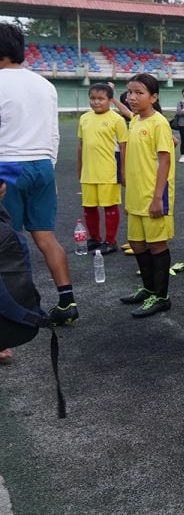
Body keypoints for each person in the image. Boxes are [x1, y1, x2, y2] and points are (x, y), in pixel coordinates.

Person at [0, 23, 77, 326]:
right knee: (46, 237)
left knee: (6, 244)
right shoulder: (45, 85)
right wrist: (50, 170)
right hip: (43, 165)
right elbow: (53, 133)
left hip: (8, 167)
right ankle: (67, 301)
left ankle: (8, 325)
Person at [118, 73, 176, 318]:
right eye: (130, 92)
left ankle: (161, 297)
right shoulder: (136, 121)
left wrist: (157, 197)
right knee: (138, 244)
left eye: (139, 93)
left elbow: (164, 161)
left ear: (153, 97)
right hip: (135, 195)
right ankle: (148, 288)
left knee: (156, 244)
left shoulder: (159, 123)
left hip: (154, 195)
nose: (132, 97)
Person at [77, 83, 128, 255]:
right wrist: (80, 168)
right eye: (93, 98)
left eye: (101, 99)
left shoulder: (117, 120)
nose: (96, 102)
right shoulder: (84, 118)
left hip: (108, 172)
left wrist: (123, 172)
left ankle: (111, 241)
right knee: (89, 207)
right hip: (88, 173)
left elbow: (123, 147)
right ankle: (94, 238)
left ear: (109, 100)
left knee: (109, 207)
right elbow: (81, 145)